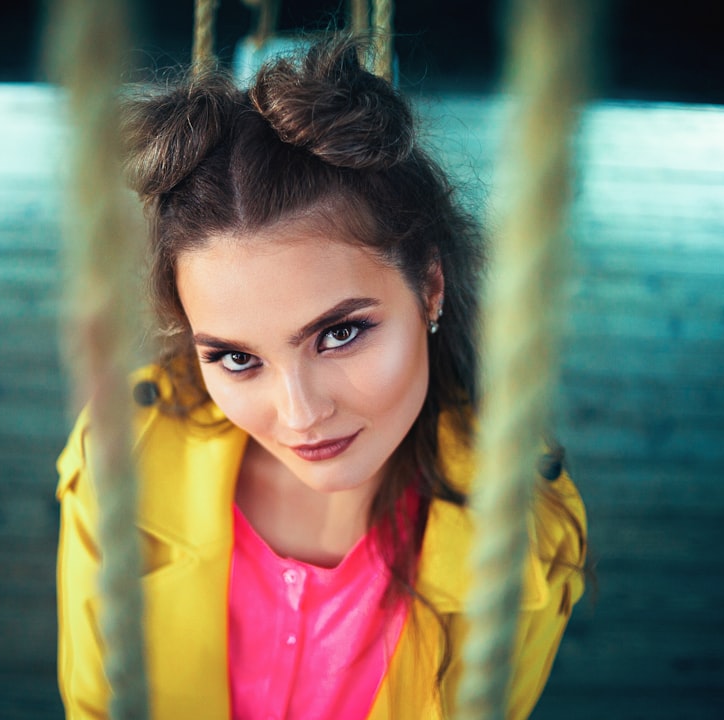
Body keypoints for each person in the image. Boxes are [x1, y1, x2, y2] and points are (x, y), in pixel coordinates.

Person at [55, 37, 587, 720]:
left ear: (429, 286)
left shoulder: (522, 529)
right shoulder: (119, 462)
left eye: (339, 334)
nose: (299, 412)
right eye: (237, 358)